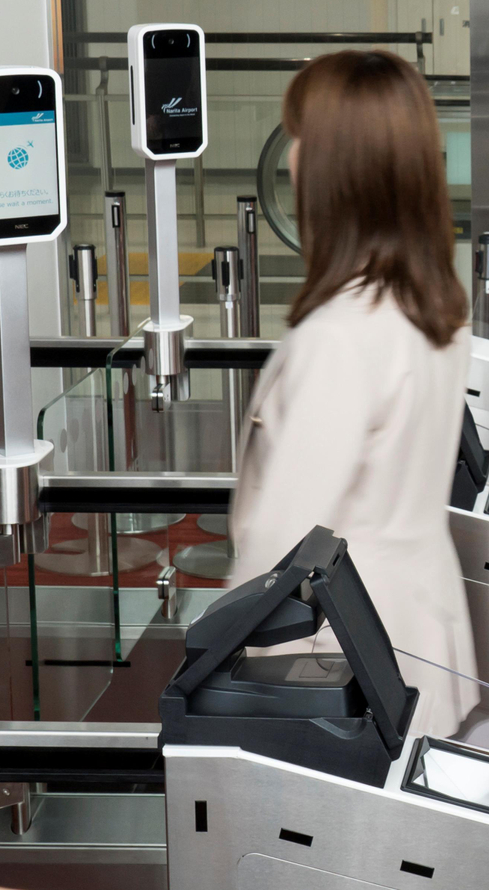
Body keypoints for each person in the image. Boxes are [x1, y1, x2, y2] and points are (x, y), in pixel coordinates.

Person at [230, 50, 478, 737]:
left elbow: (282, 550)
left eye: (301, 137)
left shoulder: (339, 337)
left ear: (340, 165)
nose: (290, 159)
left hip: (341, 667)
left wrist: (209, 665)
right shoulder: (435, 305)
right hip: (426, 630)